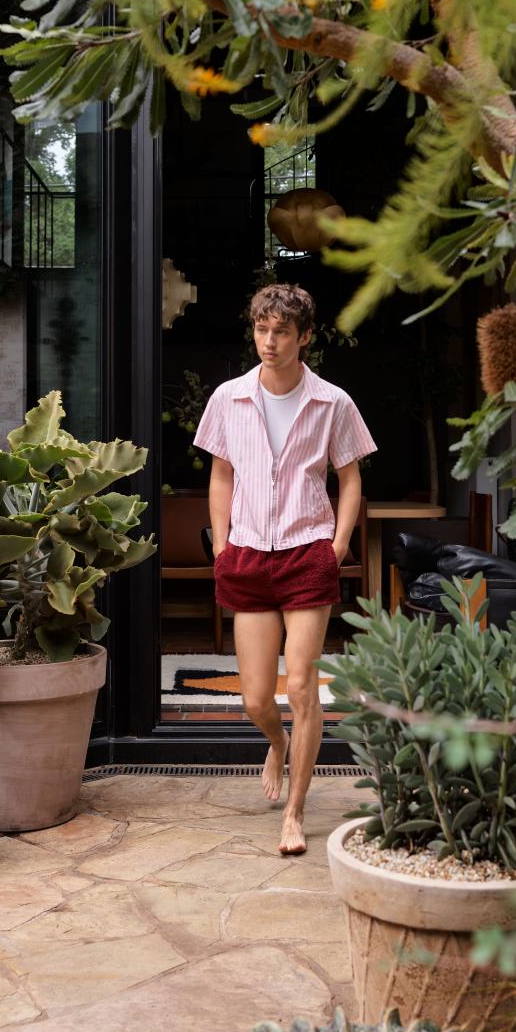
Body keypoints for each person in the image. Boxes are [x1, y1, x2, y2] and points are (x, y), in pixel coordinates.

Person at [194, 284, 376, 855]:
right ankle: (275, 743)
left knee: (300, 686)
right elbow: (220, 474)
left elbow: (350, 478)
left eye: (280, 332)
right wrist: (222, 545)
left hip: (306, 553)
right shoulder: (229, 397)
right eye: (260, 330)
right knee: (255, 701)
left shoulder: (333, 403)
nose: (268, 342)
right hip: (247, 553)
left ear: (304, 338)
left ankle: (295, 812)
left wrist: (338, 542)